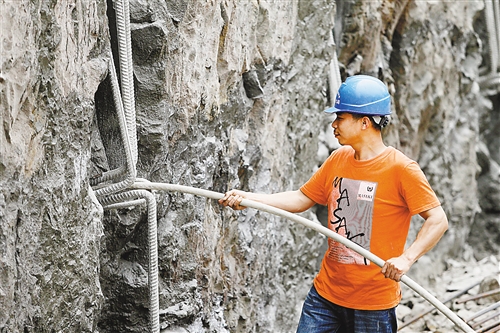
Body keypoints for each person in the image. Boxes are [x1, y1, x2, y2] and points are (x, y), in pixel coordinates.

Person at [218, 74, 449, 333]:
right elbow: (301, 198)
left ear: (364, 122)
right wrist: (250, 199)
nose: (333, 124)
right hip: (325, 295)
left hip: (373, 304)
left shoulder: (401, 169)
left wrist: (406, 259)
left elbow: (438, 220)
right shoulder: (338, 158)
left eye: (340, 117)